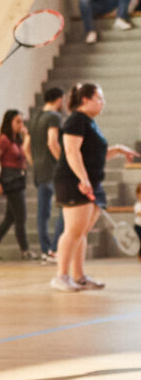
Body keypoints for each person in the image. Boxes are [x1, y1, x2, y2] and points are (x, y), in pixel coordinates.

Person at [52, 82, 138, 292]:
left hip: (91, 182)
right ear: (85, 100)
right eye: (99, 98)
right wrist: (83, 179)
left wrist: (118, 150)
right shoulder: (76, 120)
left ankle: (79, 277)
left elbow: (95, 154)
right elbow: (71, 152)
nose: (103, 103)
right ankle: (61, 276)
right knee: (73, 231)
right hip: (74, 182)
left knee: (82, 232)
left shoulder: (88, 122)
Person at [0, 109, 31, 260]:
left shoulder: (17, 139)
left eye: (22, 122)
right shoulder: (3, 140)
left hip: (19, 179)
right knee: (20, 216)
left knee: (10, 218)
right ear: (9, 122)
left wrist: (26, 137)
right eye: (17, 122)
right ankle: (25, 250)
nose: (21, 125)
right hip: (10, 180)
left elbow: (25, 156)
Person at [30, 86, 67, 260]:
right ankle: (55, 249)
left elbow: (26, 147)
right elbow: (52, 142)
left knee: (42, 213)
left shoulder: (35, 118)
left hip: (39, 171)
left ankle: (45, 250)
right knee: (66, 207)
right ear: (59, 100)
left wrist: (35, 163)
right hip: (53, 170)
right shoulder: (54, 117)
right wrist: (63, 163)